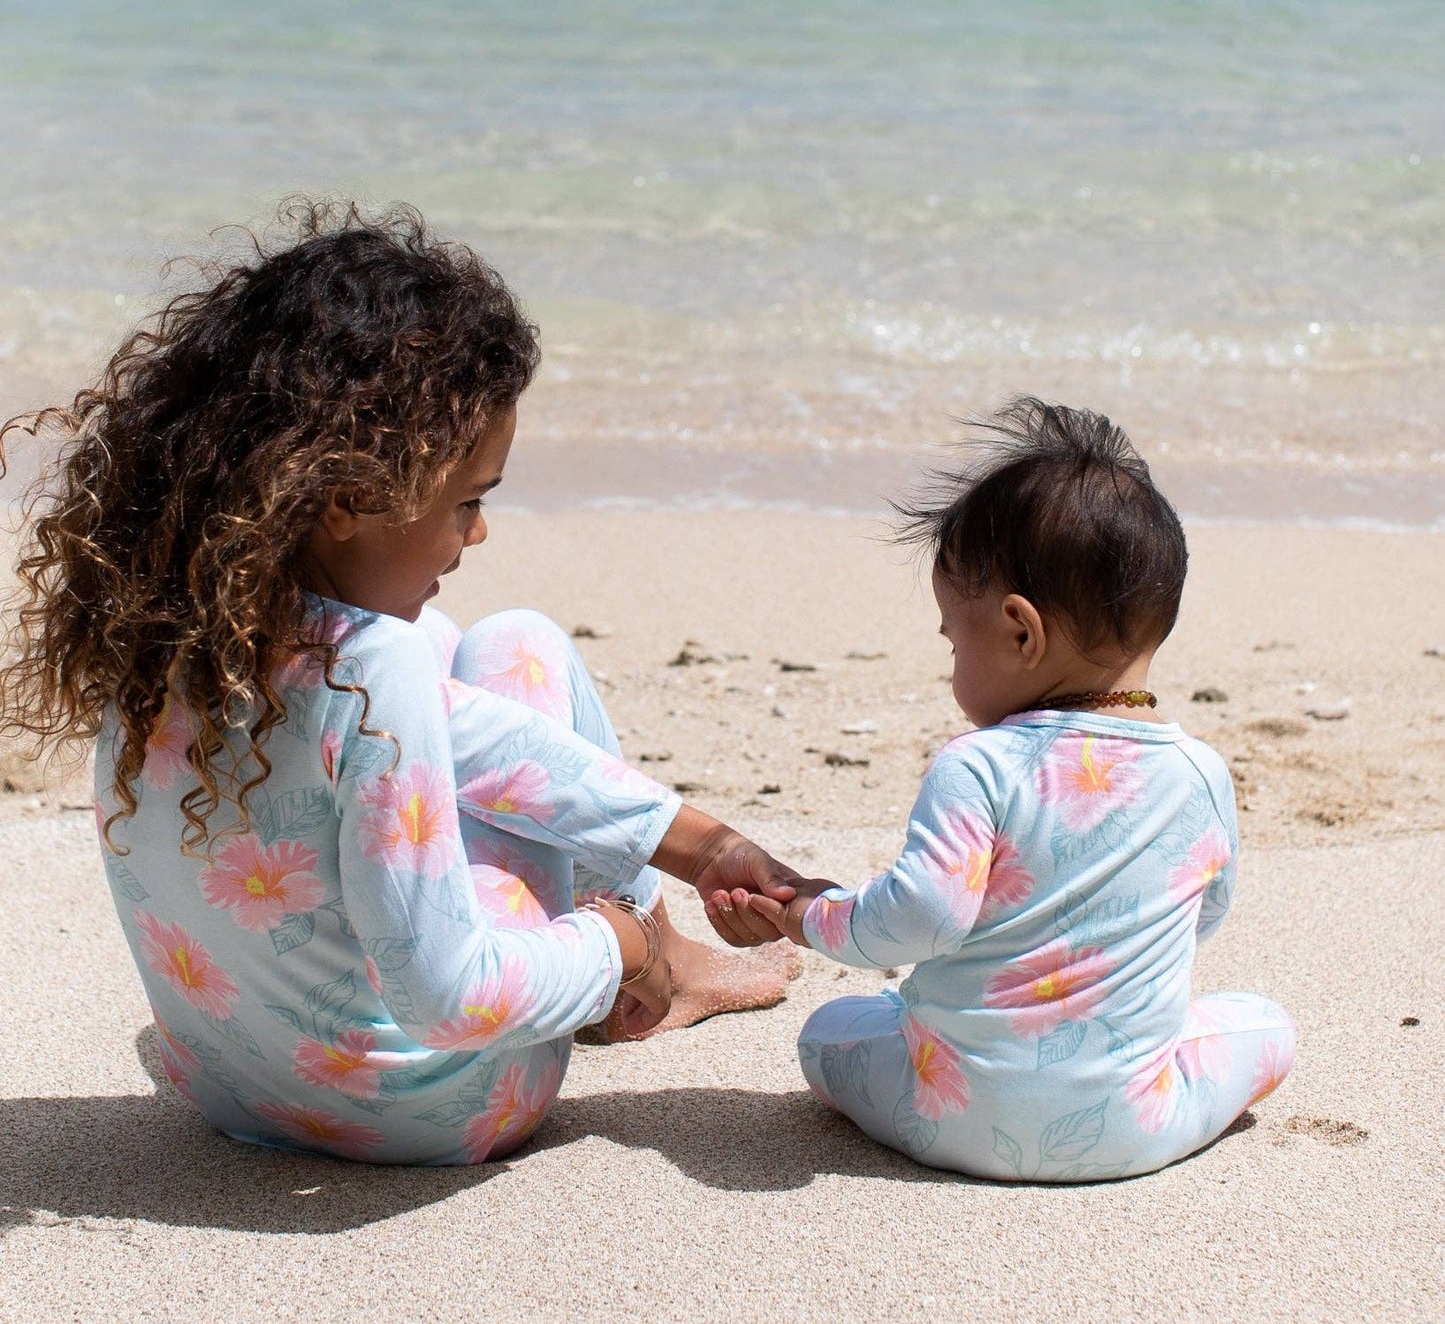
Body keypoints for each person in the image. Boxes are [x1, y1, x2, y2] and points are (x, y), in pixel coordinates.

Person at [0, 202, 797, 1165]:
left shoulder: (181, 622)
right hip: (434, 1107)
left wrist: (704, 846)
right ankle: (660, 969)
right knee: (520, 641)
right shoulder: (371, 669)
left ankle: (651, 940)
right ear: (344, 497)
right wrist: (619, 939)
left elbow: (479, 738)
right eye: (468, 501)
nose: (479, 532)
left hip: (228, 1089)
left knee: (455, 645)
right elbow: (446, 999)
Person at [713, 399, 1296, 1182]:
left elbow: (918, 917)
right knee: (1266, 1025)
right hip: (1132, 1128)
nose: (951, 661)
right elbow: (1201, 914)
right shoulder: (1200, 772)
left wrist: (806, 913)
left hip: (949, 1118)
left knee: (826, 1036)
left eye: (954, 637)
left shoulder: (977, 766)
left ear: (1020, 633)